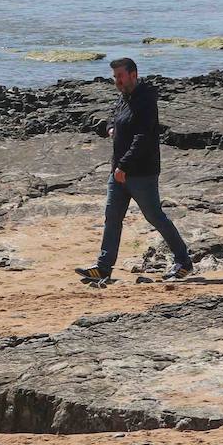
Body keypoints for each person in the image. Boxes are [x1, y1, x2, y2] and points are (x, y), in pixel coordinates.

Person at [76, 57, 192, 285]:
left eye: (120, 76)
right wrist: (110, 128)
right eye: (115, 77)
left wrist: (124, 166)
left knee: (155, 217)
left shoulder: (146, 100)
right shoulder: (125, 97)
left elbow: (143, 138)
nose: (117, 80)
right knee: (112, 218)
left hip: (142, 174)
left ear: (133, 74)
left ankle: (184, 261)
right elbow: (114, 116)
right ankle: (103, 268)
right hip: (118, 172)